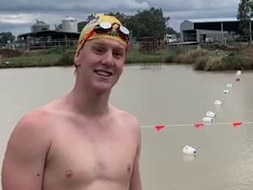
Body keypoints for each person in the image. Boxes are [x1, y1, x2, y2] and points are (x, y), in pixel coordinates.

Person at [1, 14, 142, 190]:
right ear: (77, 56)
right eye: (99, 50)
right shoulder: (35, 128)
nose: (108, 61)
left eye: (117, 54)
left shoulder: (130, 127)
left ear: (123, 64)